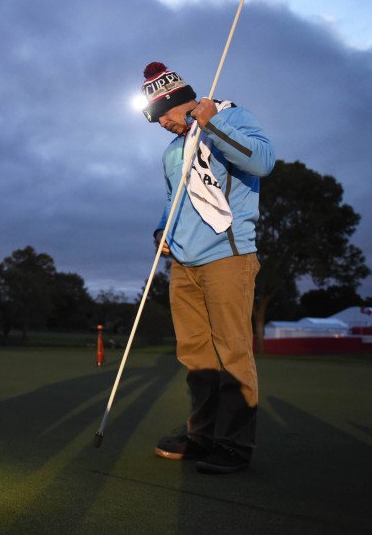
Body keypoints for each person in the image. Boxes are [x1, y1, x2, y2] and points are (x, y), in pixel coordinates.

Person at [138, 62, 275, 474]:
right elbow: (172, 198)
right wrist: (164, 228)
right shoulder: (172, 151)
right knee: (196, 356)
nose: (162, 123)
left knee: (232, 351)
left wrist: (212, 124)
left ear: (181, 101)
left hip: (228, 257)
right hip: (183, 264)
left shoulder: (232, 117)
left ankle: (233, 445)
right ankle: (202, 435)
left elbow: (263, 162)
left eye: (164, 115)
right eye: (156, 118)